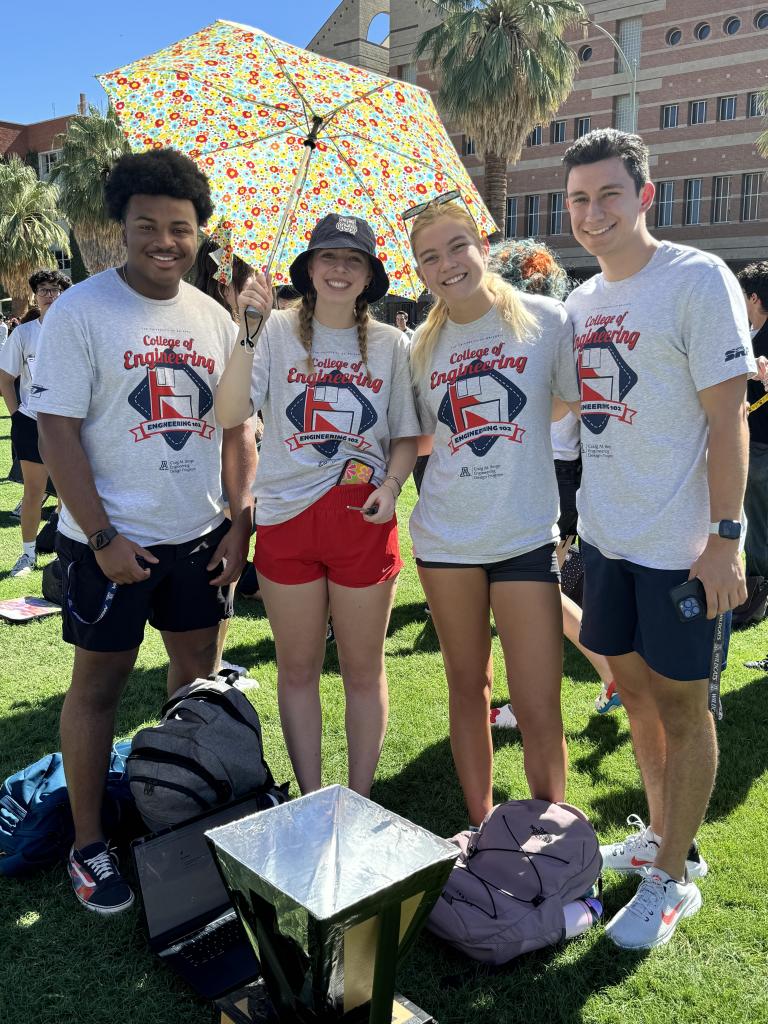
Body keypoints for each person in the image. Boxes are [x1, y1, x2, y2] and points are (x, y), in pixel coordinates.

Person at [31, 149, 256, 914]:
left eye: (181, 228)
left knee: (196, 683)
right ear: (121, 227)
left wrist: (238, 525)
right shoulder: (81, 310)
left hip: (199, 538)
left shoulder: (217, 319)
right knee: (97, 689)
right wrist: (100, 538)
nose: (165, 240)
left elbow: (235, 432)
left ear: (201, 234)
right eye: (148, 226)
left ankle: (181, 804)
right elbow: (56, 431)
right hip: (111, 542)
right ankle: (89, 845)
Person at [563, 128, 753, 949]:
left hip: (681, 546)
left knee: (684, 706)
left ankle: (673, 881)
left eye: (608, 194)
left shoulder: (696, 277)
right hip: (608, 541)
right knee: (634, 695)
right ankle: (665, 841)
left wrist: (725, 538)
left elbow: (729, 415)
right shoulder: (579, 302)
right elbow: (571, 412)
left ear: (645, 196)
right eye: (578, 200)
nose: (592, 213)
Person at [215, 213, 419, 798]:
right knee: (298, 669)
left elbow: (404, 434)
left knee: (362, 669)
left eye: (352, 259)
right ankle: (310, 796)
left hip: (363, 518)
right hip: (286, 520)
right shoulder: (273, 329)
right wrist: (246, 332)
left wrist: (394, 484)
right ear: (307, 268)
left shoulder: (390, 343)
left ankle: (357, 798)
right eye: (327, 256)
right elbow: (230, 413)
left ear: (369, 275)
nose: (338, 268)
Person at [406, 198, 580, 829]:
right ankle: (479, 828)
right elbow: (421, 436)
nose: (447, 264)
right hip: (446, 538)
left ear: (483, 242)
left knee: (537, 702)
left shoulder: (545, 319)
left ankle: (550, 830)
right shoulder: (419, 348)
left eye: (457, 246)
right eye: (430, 256)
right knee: (469, 689)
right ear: (419, 270)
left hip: (525, 535)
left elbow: (562, 404)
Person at [484, 240, 618, 727]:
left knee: (535, 598)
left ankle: (535, 701)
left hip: (542, 475)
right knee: (542, 595)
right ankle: (607, 671)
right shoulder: (561, 326)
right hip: (559, 474)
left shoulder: (537, 333)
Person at [0, 269, 70, 576]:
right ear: (35, 295)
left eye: (56, 290)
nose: (50, 296)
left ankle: (66, 551)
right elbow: (5, 379)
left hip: (70, 423)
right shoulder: (24, 333)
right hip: (32, 421)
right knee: (33, 490)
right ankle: (27, 555)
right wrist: (17, 416)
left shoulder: (77, 330)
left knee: (72, 491)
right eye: (44, 290)